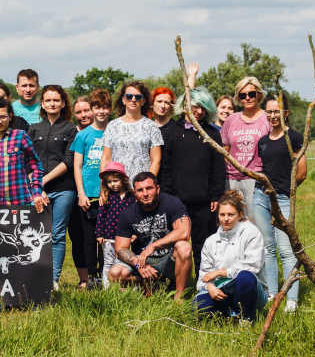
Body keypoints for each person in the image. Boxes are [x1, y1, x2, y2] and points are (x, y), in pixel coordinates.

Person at [161, 86, 225, 280]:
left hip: (204, 201)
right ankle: (173, 282)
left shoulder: (211, 133)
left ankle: (202, 283)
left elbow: (218, 167)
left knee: (203, 245)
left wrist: (216, 195)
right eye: (194, 106)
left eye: (203, 107)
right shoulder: (171, 131)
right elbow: (165, 167)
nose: (198, 111)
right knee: (176, 244)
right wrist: (168, 197)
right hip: (176, 201)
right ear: (185, 105)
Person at [254, 95, 308, 312]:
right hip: (261, 196)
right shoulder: (263, 141)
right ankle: (271, 294)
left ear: (286, 112)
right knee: (267, 247)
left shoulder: (294, 137)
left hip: (282, 198)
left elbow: (302, 173)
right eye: (269, 112)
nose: (273, 115)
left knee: (286, 250)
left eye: (277, 111)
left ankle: (291, 299)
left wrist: (286, 190)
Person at [107, 172, 193, 301]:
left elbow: (184, 232)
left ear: (157, 189)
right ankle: (147, 284)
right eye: (140, 190)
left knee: (184, 247)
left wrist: (154, 245)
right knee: (115, 273)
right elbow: (120, 249)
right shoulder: (128, 214)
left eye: (149, 188)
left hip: (168, 258)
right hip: (143, 260)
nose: (145, 193)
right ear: (135, 193)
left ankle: (179, 298)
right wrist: (138, 265)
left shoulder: (172, 203)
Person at [29, 85, 78, 287]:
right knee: (34, 233)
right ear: (42, 103)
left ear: (63, 103)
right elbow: (28, 160)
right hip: (36, 190)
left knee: (57, 235)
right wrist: (37, 186)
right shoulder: (33, 129)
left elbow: (68, 160)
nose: (52, 104)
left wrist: (44, 180)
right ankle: (34, 275)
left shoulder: (70, 129)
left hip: (63, 189)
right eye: (48, 100)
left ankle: (53, 279)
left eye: (56, 100)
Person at [195, 191, 266, 322]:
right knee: (199, 306)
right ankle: (230, 317)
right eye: (222, 215)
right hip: (220, 289)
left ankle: (246, 319)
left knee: (245, 277)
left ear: (240, 215)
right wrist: (209, 287)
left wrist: (221, 272)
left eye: (231, 214)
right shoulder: (210, 241)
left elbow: (253, 266)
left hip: (247, 288)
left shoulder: (251, 233)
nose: (226, 219)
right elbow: (204, 276)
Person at [70, 88, 111, 288]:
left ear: (110, 109)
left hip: (108, 194)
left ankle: (105, 276)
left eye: (105, 107)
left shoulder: (114, 131)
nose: (101, 111)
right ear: (92, 109)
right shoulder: (83, 136)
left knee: (106, 239)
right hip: (88, 195)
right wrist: (81, 193)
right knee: (89, 239)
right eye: (97, 107)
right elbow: (77, 166)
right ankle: (91, 277)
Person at [0, 97, 47, 212]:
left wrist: (36, 192)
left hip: (20, 202)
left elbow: (36, 166)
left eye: (3, 117)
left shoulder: (20, 136)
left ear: (10, 116)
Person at [221, 76, 271, 208]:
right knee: (233, 218)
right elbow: (225, 150)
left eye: (251, 94)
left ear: (259, 94)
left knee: (255, 219)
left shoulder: (267, 119)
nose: (247, 98)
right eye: (243, 95)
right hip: (231, 181)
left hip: (256, 180)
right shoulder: (231, 120)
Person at [101, 80, 163, 180]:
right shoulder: (112, 126)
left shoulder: (151, 126)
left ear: (143, 101)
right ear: (123, 100)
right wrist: (104, 183)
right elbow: (106, 158)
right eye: (129, 96)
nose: (133, 99)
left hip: (141, 185)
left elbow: (156, 160)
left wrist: (147, 183)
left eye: (138, 97)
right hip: (117, 184)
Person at [93, 162, 133, 289]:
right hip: (108, 236)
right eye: (109, 182)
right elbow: (101, 216)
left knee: (123, 261)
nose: (112, 184)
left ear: (123, 180)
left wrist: (134, 233)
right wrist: (99, 234)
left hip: (126, 237)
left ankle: (123, 286)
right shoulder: (107, 196)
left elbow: (135, 216)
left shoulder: (131, 197)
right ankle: (107, 288)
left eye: (115, 181)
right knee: (108, 262)